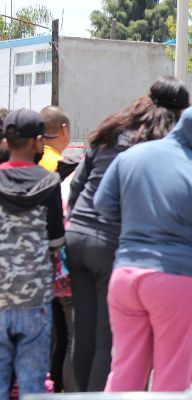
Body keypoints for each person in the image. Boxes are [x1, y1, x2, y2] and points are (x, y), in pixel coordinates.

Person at [95, 101, 192, 392]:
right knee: (171, 378)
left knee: (125, 370)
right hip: (176, 282)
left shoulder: (131, 157)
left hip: (125, 277)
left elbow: (102, 205)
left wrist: (139, 223)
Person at [65, 76, 190, 392]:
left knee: (83, 330)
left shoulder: (111, 129)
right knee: (106, 338)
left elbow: (77, 186)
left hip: (77, 236)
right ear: (179, 113)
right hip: (110, 244)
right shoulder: (159, 144)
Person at [0, 109, 65, 397]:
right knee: (32, 384)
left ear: (6, 141)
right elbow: (55, 240)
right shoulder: (49, 182)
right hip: (35, 298)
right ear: (38, 142)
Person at [40, 105, 78, 393]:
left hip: (19, 262)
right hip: (53, 260)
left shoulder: (29, 159)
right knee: (63, 333)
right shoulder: (61, 168)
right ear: (63, 130)